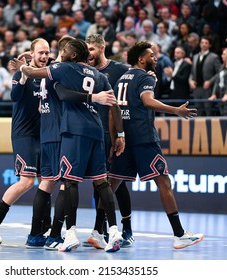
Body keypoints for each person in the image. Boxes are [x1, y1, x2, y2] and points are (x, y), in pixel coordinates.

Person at [11, 39, 125, 253]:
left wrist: (22, 68)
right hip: (96, 131)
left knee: (68, 182)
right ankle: (114, 230)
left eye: (62, 51)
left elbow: (51, 85)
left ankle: (67, 233)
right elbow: (114, 104)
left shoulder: (62, 69)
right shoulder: (99, 75)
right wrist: (120, 134)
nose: (58, 54)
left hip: (73, 130)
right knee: (102, 182)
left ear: (72, 55)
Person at [108, 41, 204, 250]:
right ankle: (179, 234)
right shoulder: (144, 77)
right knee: (164, 182)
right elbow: (148, 101)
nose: (155, 58)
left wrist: (115, 137)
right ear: (141, 59)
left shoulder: (121, 78)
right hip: (144, 139)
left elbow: (112, 111)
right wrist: (176, 110)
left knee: (109, 185)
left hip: (124, 139)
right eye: (152, 55)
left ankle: (102, 231)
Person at [0, 38, 51, 244]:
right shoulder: (22, 73)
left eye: (47, 53)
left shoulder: (48, 73)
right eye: (40, 53)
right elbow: (15, 96)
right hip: (24, 134)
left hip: (43, 135)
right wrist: (23, 73)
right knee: (27, 180)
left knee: (46, 182)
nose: (44, 56)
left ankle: (43, 229)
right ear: (31, 53)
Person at [85, 33, 134, 248]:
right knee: (100, 184)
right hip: (96, 133)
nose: (89, 54)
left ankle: (127, 227)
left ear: (102, 48)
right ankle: (101, 230)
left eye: (92, 50)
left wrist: (121, 134)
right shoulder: (86, 72)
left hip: (115, 134)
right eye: (87, 51)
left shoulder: (120, 70)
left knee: (117, 181)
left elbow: (136, 82)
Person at [189, 36, 221, 116]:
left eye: (206, 43)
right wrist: (190, 80)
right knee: (197, 112)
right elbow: (192, 72)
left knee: (208, 111)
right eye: (202, 43)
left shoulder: (214, 57)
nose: (203, 45)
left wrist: (210, 82)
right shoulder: (195, 56)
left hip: (208, 89)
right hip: (196, 88)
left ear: (209, 45)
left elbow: (219, 73)